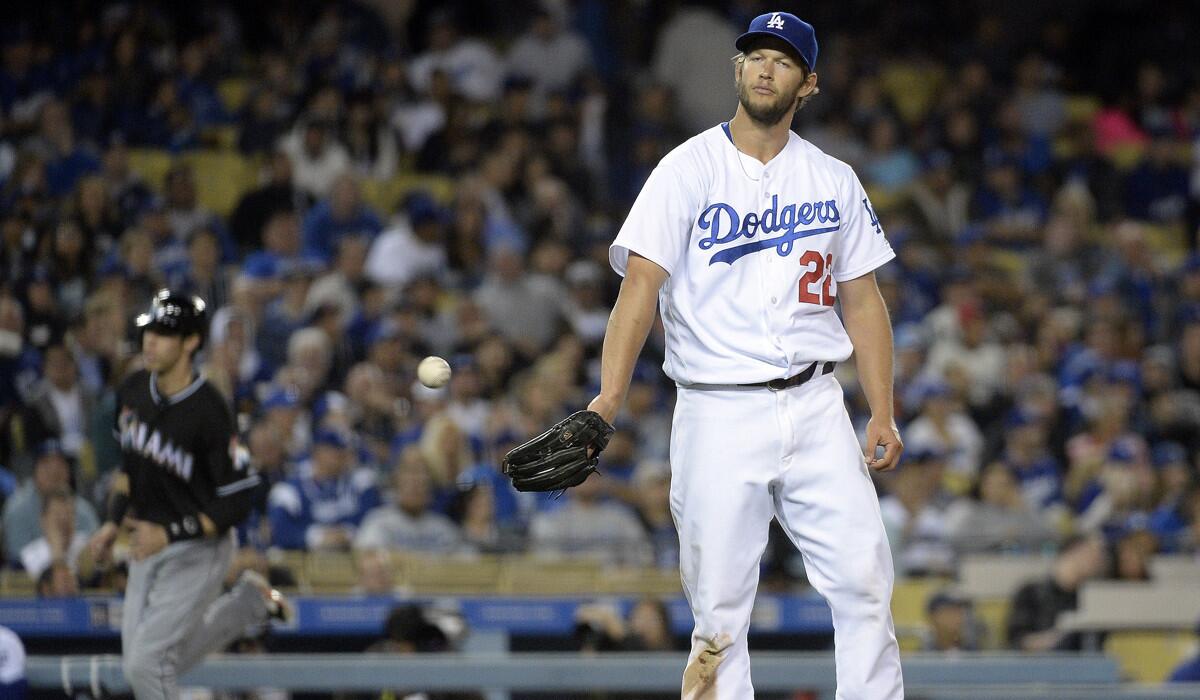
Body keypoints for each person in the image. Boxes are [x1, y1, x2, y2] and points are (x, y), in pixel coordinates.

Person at [585, 12, 904, 698]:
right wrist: (609, 396)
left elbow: (865, 299)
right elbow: (640, 286)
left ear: (808, 83)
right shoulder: (686, 169)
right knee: (719, 616)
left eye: (782, 60)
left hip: (817, 404)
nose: (765, 67)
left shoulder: (833, 178)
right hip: (718, 410)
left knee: (866, 582)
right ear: (737, 70)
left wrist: (882, 410)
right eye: (755, 55)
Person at [87, 289, 290, 700]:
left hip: (200, 546)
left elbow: (236, 501)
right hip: (148, 543)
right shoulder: (132, 392)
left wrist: (169, 533)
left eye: (164, 333)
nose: (151, 341)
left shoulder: (211, 410)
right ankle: (246, 606)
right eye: (150, 331)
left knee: (146, 666)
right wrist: (111, 523)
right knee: (144, 666)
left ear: (191, 342)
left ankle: (246, 604)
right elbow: (130, 472)